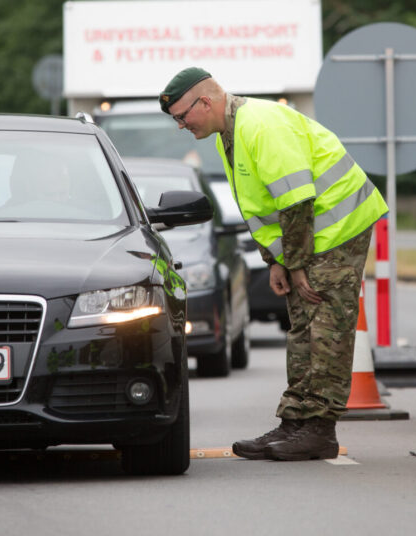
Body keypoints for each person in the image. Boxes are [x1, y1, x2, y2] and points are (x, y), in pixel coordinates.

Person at [159, 67, 388, 461]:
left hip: (337, 228)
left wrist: (295, 264)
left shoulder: (261, 127)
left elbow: (295, 201)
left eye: (182, 116)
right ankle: (295, 422)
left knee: (326, 330)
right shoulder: (229, 135)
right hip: (310, 237)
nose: (180, 126)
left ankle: (319, 430)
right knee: (303, 328)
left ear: (206, 102)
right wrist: (277, 261)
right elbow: (261, 207)